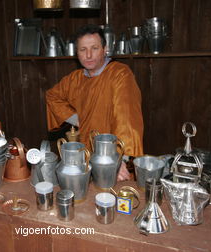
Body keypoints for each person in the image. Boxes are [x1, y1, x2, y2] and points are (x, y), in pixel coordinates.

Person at [46, 24, 144, 181]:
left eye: (95, 48)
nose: (89, 55)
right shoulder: (75, 79)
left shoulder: (120, 74)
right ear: (76, 53)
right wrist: (76, 119)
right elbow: (52, 96)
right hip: (86, 154)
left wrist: (119, 161)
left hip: (114, 161)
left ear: (105, 49)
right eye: (83, 50)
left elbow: (127, 119)